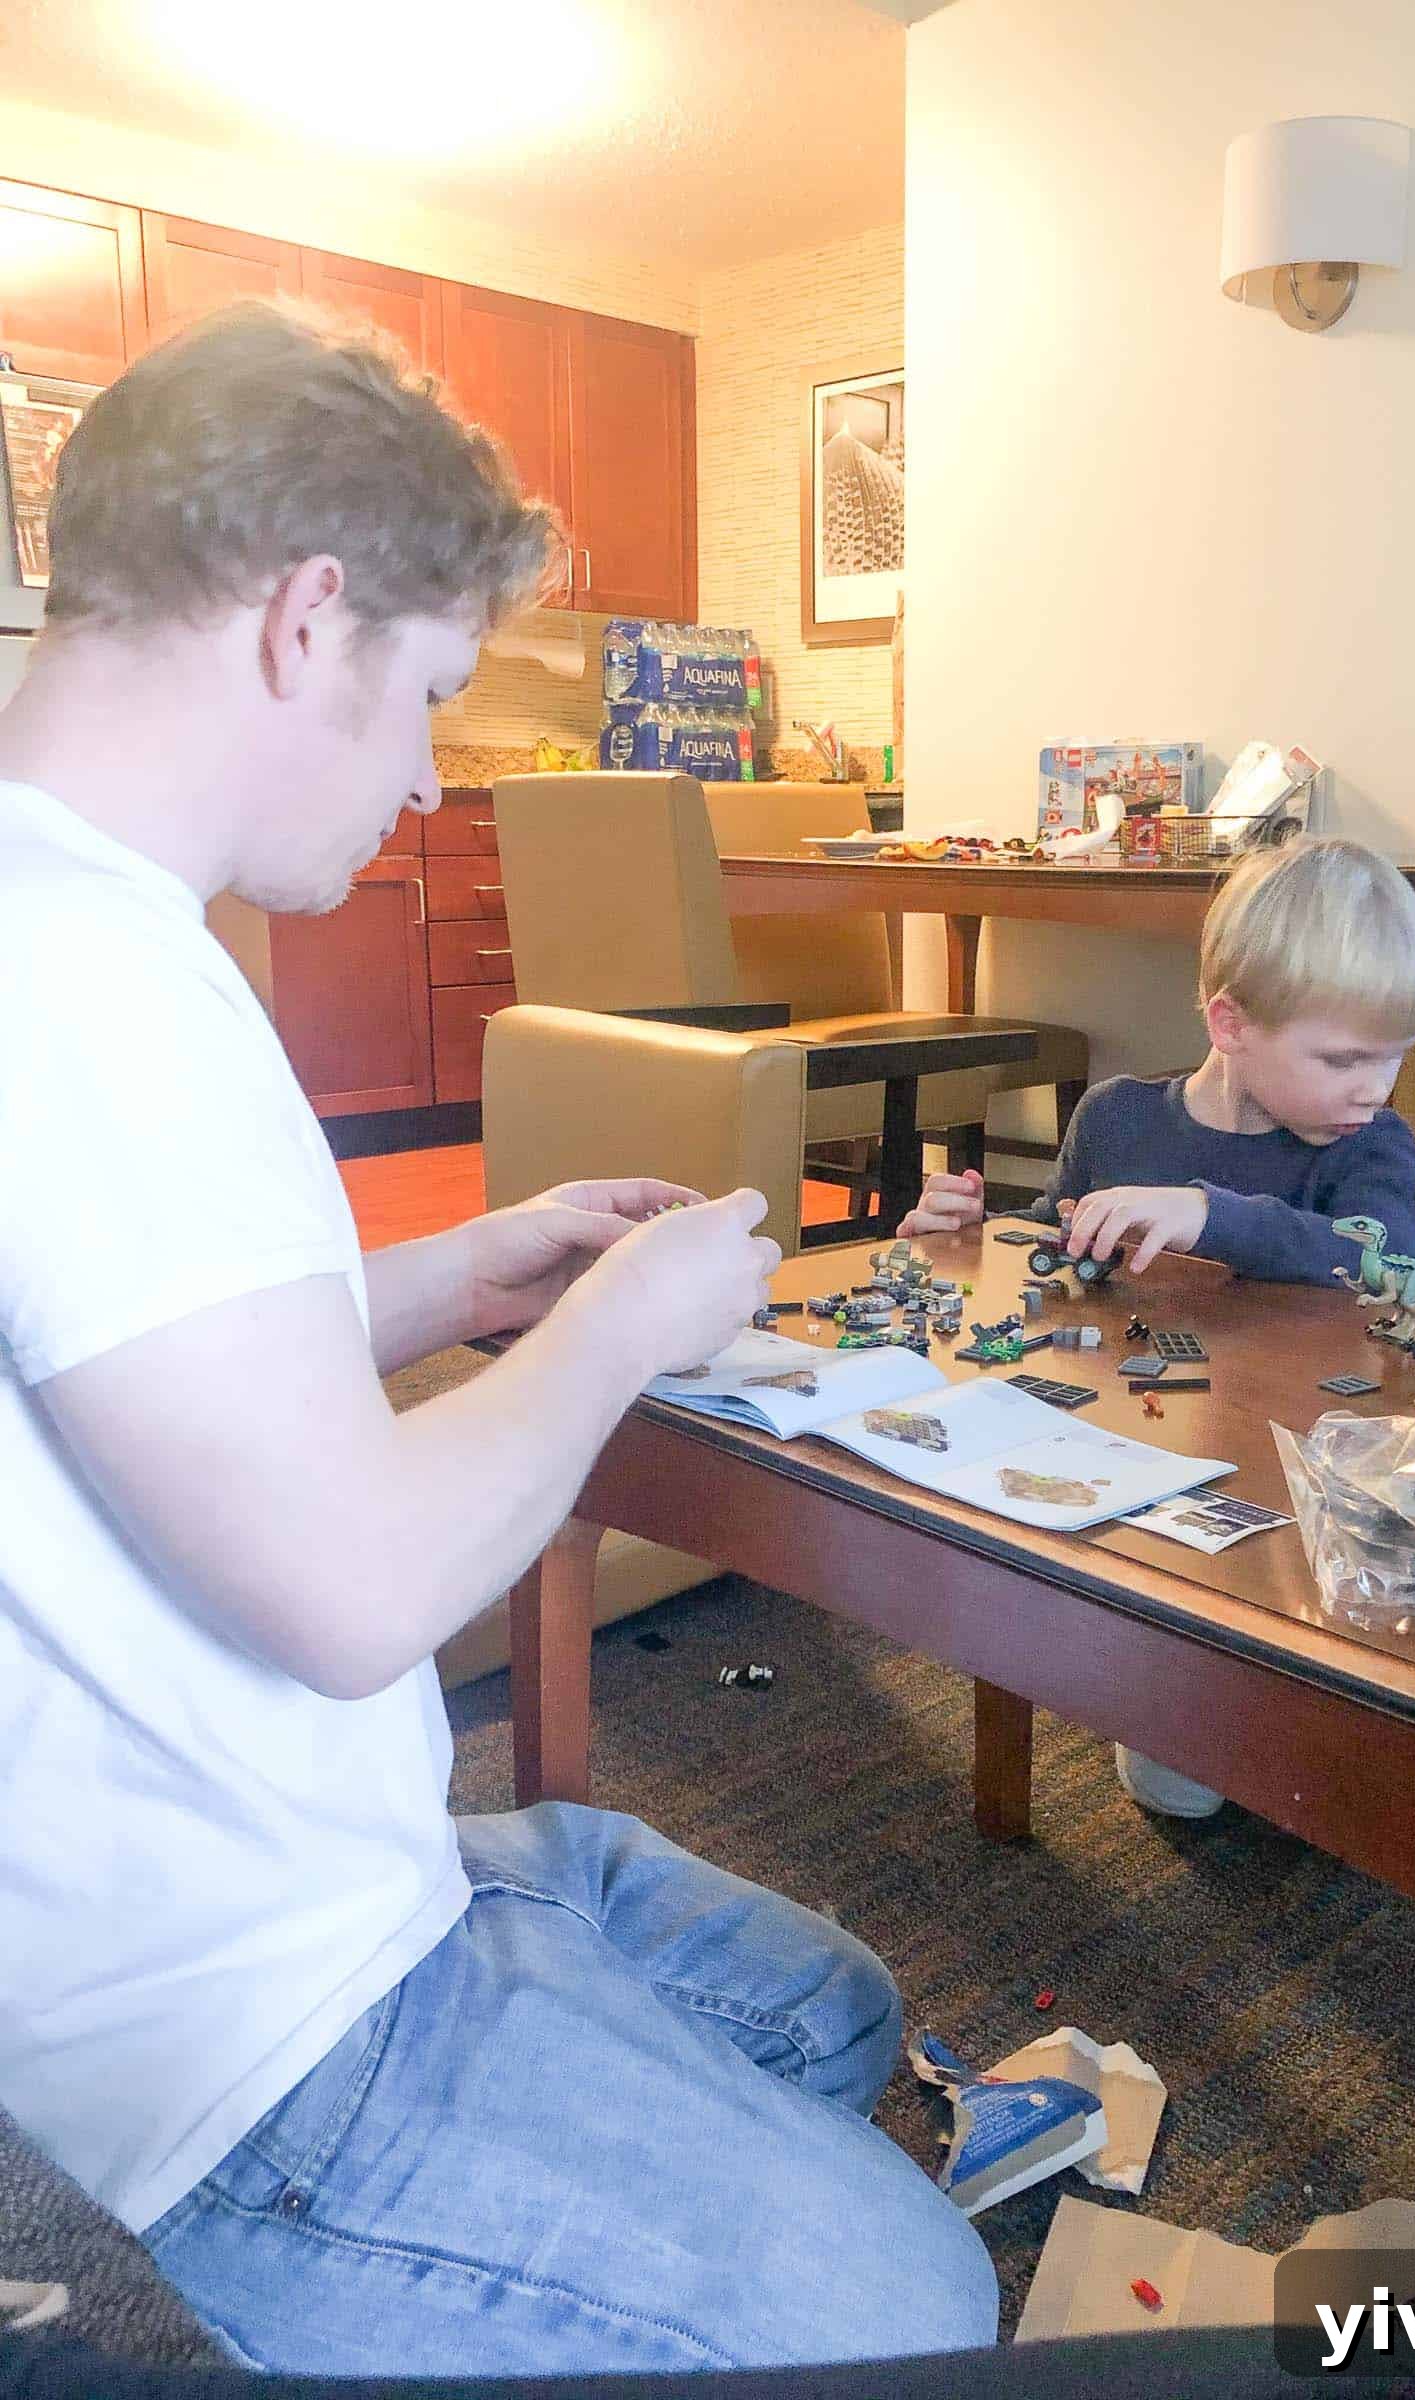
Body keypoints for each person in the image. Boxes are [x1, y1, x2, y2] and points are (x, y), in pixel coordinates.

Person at [0, 304, 997, 2378]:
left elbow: (115, 1357)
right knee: (927, 2308)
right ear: (309, 619)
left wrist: (461, 1279)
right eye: (435, 695)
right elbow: (357, 1586)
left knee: (836, 2017)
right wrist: (623, 1325)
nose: (434, 772)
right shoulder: (94, 991)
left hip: (306, 1852)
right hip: (246, 2025)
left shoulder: (69, 930)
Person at [902, 836, 1415, 1819]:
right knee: (1183, 1784)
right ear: (1230, 1023)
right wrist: (968, 1235)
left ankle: (1297, 1698)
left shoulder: (1370, 1143)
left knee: (1338, 1766)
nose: (1378, 1085)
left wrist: (1212, 1214)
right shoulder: (1116, 1121)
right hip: (1146, 1449)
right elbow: (1062, 1245)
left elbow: (1386, 1260)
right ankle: (1163, 1676)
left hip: (1314, 1476)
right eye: (1345, 1058)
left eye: (1396, 1057)